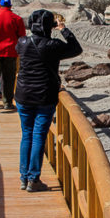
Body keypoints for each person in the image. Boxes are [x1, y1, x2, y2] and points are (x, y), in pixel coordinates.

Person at [14, 10, 82, 191]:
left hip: (23, 96)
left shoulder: (22, 43)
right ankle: (33, 179)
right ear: (48, 26)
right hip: (44, 96)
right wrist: (63, 29)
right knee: (38, 136)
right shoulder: (53, 45)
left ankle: (23, 177)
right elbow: (76, 49)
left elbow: (21, 48)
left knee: (26, 135)